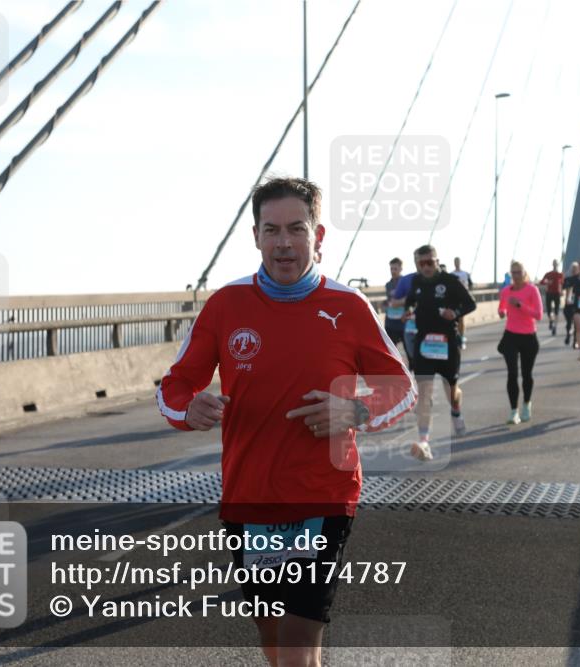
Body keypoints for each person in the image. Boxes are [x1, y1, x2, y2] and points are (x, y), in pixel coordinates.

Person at [158, 177, 416, 666]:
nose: (283, 243)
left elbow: (403, 389)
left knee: (298, 645)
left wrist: (356, 410)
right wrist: (188, 409)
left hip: (323, 496)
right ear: (255, 236)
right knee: (274, 636)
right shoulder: (225, 305)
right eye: (271, 230)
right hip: (248, 498)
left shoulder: (348, 306)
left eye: (296, 229)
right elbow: (174, 386)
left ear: (318, 237)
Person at [403, 244, 476, 460]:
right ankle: (424, 441)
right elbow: (410, 302)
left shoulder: (450, 282)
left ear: (437, 261)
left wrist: (455, 312)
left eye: (430, 262)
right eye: (421, 263)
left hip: (447, 344)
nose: (426, 267)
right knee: (424, 393)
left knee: (451, 391)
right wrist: (407, 311)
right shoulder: (416, 281)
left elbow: (470, 304)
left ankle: (456, 412)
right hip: (424, 343)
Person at [498, 261, 542, 424]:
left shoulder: (532, 290)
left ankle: (526, 404)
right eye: (513, 273)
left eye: (518, 272)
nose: (515, 276)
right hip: (510, 336)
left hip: (529, 337)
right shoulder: (506, 291)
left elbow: (538, 315)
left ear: (524, 273)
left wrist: (520, 305)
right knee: (512, 374)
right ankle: (513, 411)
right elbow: (501, 307)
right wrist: (502, 312)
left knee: (526, 374)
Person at [383, 257, 406, 351]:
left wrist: (399, 303)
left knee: (409, 352)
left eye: (395, 269)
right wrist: (385, 304)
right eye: (391, 269)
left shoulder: (406, 282)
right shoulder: (388, 284)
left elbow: (410, 300)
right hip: (390, 322)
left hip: (403, 321)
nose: (393, 271)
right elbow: (389, 300)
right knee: (390, 350)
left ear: (401, 269)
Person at [451, 256, 473, 350]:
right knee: (455, 319)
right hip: (454, 299)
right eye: (455, 261)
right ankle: (457, 336)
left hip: (462, 298)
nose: (457, 263)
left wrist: (468, 294)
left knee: (461, 318)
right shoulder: (451, 274)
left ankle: (462, 336)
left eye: (458, 261)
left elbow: (471, 285)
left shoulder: (465, 274)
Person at [538, 259, 564, 336]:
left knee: (556, 311)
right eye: (554, 263)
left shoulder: (560, 274)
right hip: (549, 293)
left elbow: (563, 283)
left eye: (556, 264)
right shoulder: (548, 274)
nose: (555, 265)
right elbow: (542, 282)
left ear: (558, 265)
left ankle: (554, 327)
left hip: (557, 294)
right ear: (552, 264)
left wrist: (562, 290)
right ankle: (551, 321)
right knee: (549, 311)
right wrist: (547, 282)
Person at [562, 261, 580, 347]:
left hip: (577, 305)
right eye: (572, 269)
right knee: (569, 323)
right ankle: (568, 334)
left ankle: (575, 341)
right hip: (568, 304)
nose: (573, 270)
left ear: (578, 270)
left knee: (576, 323)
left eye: (575, 269)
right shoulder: (567, 279)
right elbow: (562, 289)